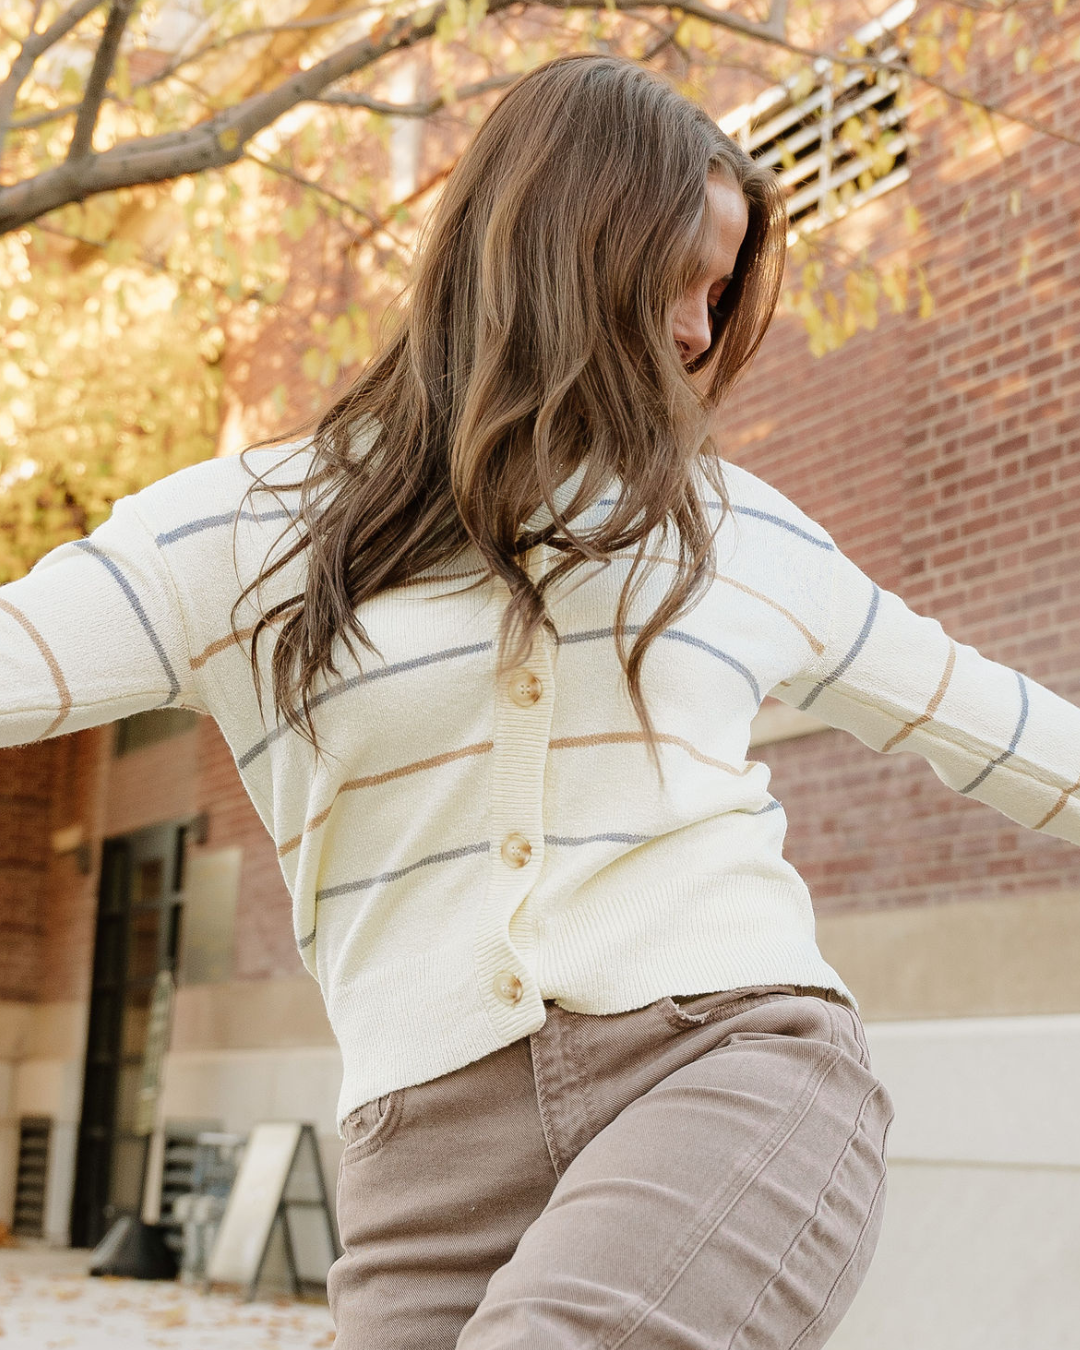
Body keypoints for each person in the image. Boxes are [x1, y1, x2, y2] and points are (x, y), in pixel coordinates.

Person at [2, 51, 1078, 1350]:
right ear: (564, 247)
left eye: (721, 295)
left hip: (723, 1067)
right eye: (682, 278)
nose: (702, 333)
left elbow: (1016, 737)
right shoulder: (246, 531)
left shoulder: (737, 533)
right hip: (422, 1161)